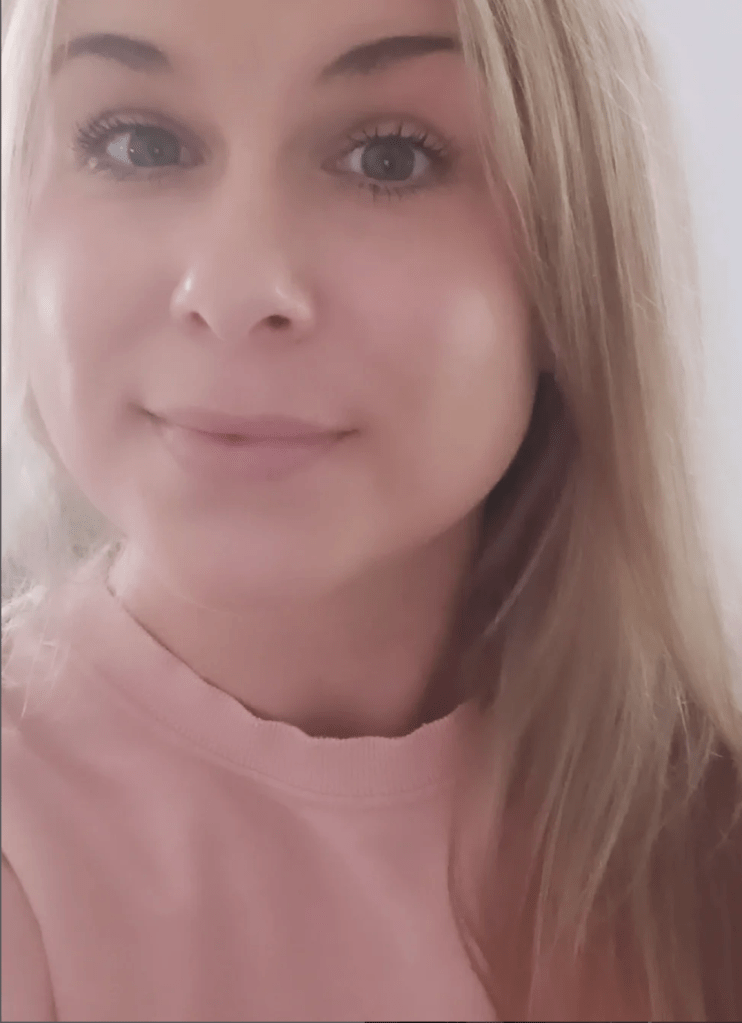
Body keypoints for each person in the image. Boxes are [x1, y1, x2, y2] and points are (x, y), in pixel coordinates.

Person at [2, 0, 740, 1020]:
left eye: (389, 159)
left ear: (577, 257)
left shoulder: (706, 824)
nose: (232, 288)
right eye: (140, 144)